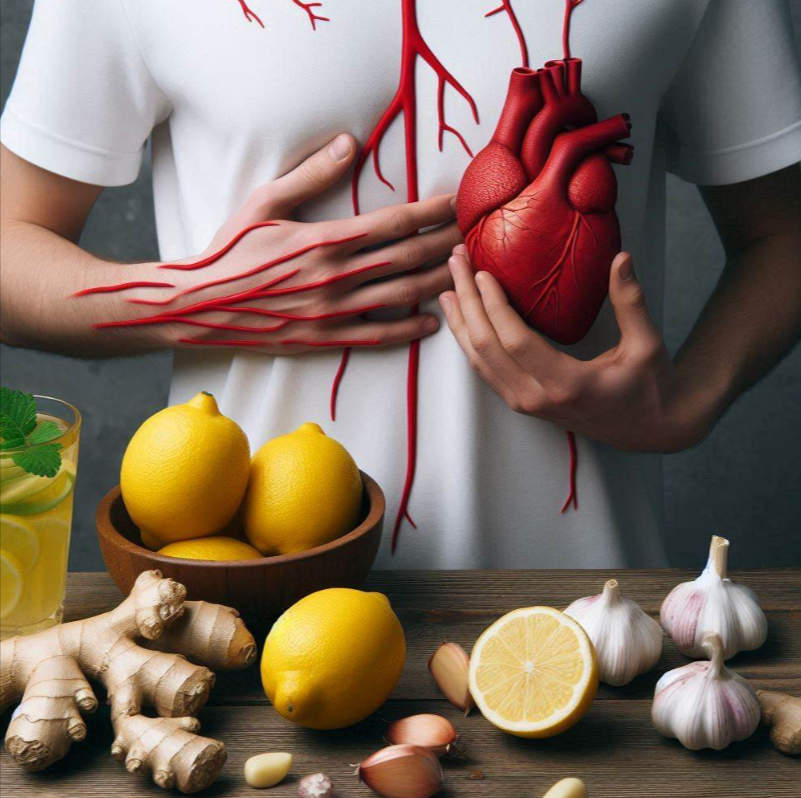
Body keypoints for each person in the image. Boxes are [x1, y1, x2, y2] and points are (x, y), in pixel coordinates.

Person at [2, 0, 800, 569]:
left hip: (578, 632)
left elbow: (784, 230)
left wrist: (689, 401)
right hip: (246, 623)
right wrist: (193, 298)